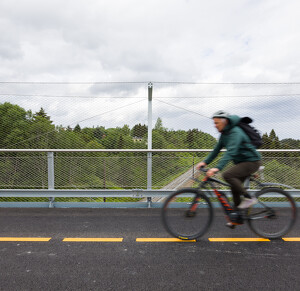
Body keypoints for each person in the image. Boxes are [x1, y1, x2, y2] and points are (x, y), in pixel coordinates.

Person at [196, 110, 261, 225]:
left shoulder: (235, 132)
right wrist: (205, 162)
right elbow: (216, 150)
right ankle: (238, 216)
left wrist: (217, 168)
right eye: (214, 123)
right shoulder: (224, 134)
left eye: (217, 123)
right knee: (234, 187)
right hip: (242, 162)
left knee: (227, 175)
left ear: (224, 122)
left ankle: (249, 198)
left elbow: (230, 152)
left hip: (252, 161)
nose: (215, 126)